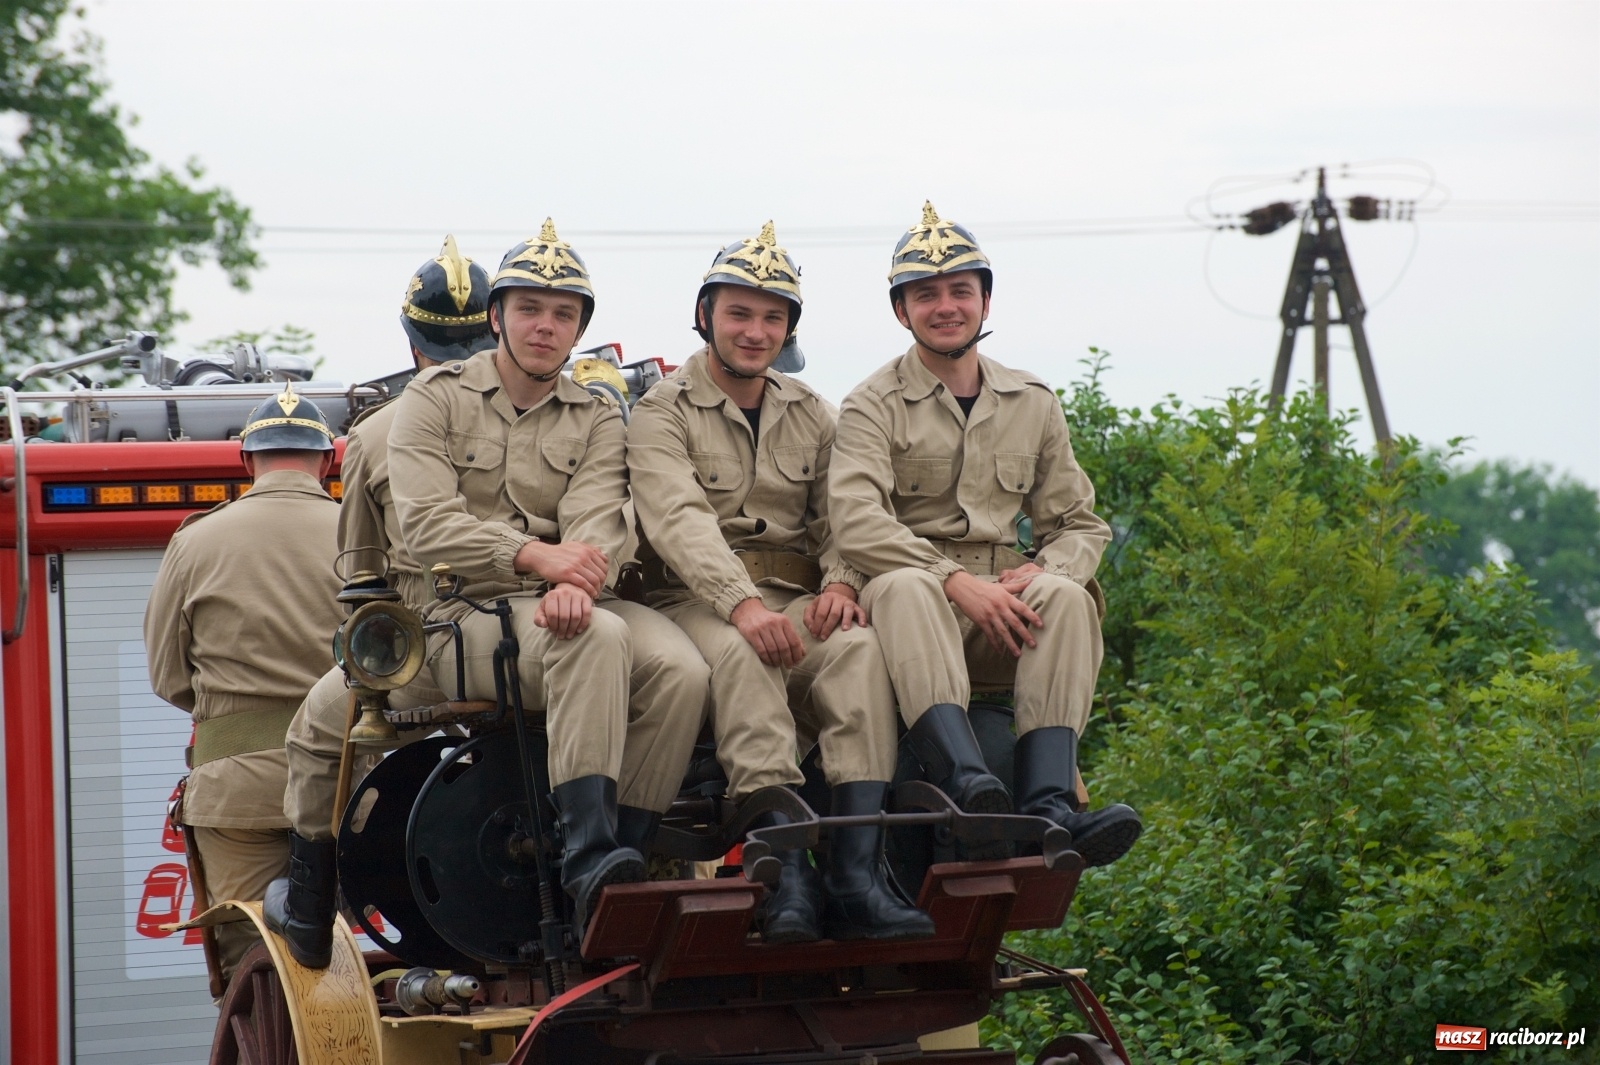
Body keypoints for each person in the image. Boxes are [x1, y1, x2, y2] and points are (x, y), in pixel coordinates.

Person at [385, 221, 707, 930]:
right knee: (594, 640)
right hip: (461, 612)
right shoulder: (432, 400)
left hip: (567, 596)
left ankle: (626, 848)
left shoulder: (596, 413)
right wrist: (536, 558)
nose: (546, 326)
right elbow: (425, 525)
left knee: (682, 667)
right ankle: (585, 857)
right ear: (497, 316)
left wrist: (575, 578)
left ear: (579, 328)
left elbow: (597, 510)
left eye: (565, 314)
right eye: (530, 309)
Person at [628, 222, 934, 942]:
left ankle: (857, 872)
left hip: (797, 599)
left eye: (772, 317)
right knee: (746, 653)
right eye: (739, 313)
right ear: (705, 316)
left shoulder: (813, 412)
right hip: (695, 599)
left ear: (788, 328)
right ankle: (785, 870)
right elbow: (678, 522)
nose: (755, 331)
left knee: (857, 651)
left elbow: (847, 513)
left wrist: (843, 583)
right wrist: (738, 604)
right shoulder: (659, 413)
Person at [828, 202, 1142, 868]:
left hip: (1003, 610)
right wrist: (956, 581)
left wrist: (1047, 568)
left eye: (960, 291)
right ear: (900, 310)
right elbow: (856, 518)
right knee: (910, 583)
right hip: (915, 616)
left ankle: (1051, 801)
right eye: (926, 294)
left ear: (985, 299)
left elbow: (1079, 522)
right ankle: (968, 781)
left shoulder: (1032, 401)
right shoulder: (870, 403)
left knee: (1067, 593)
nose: (946, 306)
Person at [267, 236, 496, 967]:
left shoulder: (378, 431)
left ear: (413, 341)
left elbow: (363, 575)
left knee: (312, 735)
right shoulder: (549, 415)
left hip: (431, 646)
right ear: (500, 327)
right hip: (543, 636)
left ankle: (307, 908)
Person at [144, 383, 343, 981]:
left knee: (256, 973)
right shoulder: (364, 537)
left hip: (237, 793)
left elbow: (167, 675)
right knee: (377, 970)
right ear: (328, 459)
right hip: (351, 790)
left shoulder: (196, 539)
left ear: (245, 459)